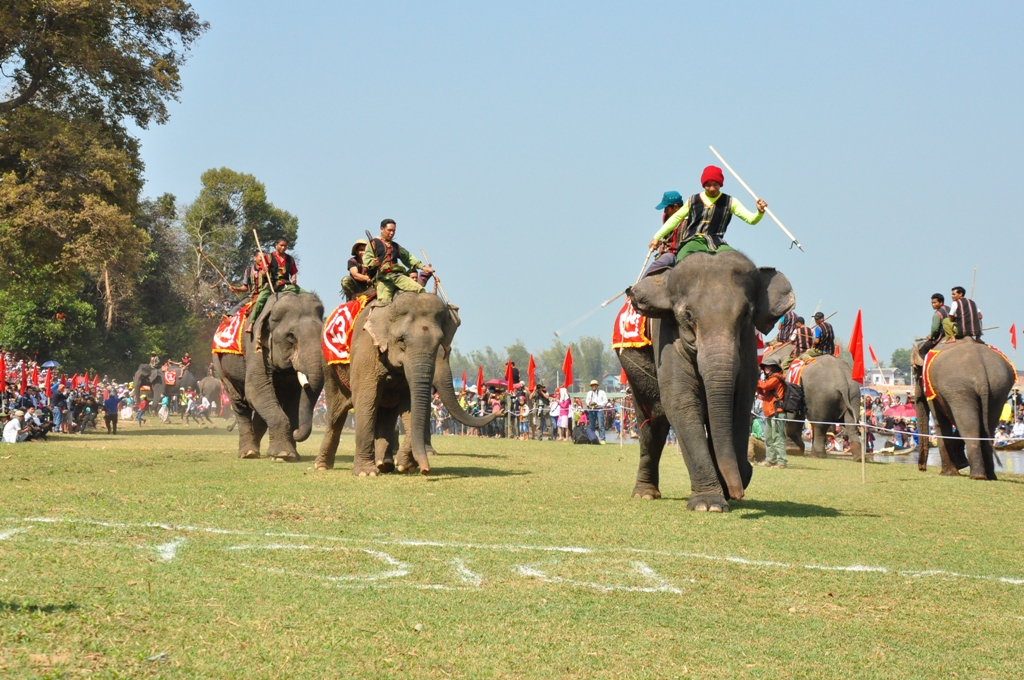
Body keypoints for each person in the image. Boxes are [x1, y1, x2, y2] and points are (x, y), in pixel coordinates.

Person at [646, 166, 767, 271]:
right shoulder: (693, 200)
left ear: (720, 184)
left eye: (715, 185)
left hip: (717, 243)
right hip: (693, 241)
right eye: (708, 185)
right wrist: (657, 237)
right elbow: (675, 218)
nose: (712, 188)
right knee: (681, 261)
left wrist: (759, 212)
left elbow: (751, 220)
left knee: (737, 261)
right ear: (704, 185)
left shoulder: (730, 202)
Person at [363, 219, 434, 302]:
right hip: (383, 278)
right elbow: (366, 260)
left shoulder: (396, 246)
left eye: (394, 231)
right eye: (389, 230)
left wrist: (423, 267)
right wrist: (373, 263)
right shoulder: (373, 243)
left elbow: (408, 258)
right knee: (383, 302)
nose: (392, 233)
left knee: (419, 289)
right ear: (382, 229)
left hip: (398, 276)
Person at [247, 237, 299, 332]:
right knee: (260, 300)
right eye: (281, 245)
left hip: (285, 284)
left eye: (285, 246)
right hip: (271, 284)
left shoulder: (290, 259)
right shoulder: (268, 257)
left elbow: (293, 272)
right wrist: (264, 270)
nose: (283, 248)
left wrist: (294, 278)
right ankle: (251, 323)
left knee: (305, 294)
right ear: (276, 245)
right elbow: (262, 273)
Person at [756, 359, 787, 468]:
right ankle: (771, 460)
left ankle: (781, 461)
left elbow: (765, 386)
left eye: (769, 367)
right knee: (769, 438)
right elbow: (762, 391)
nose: (766, 369)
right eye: (765, 367)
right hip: (769, 412)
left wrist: (756, 379)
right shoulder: (769, 379)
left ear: (774, 368)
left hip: (777, 412)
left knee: (777, 437)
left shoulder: (777, 378)